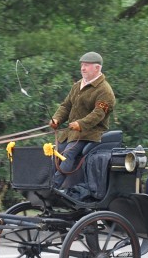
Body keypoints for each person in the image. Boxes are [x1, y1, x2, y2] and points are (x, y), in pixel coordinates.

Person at [49, 51, 116, 189]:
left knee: (68, 154)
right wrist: (57, 119)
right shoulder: (77, 85)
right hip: (71, 133)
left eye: (86, 65)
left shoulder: (105, 90)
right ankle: (45, 183)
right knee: (53, 153)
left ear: (97, 68)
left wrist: (81, 124)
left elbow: (98, 114)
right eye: (82, 65)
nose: (82, 68)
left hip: (90, 134)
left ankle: (54, 187)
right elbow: (66, 106)